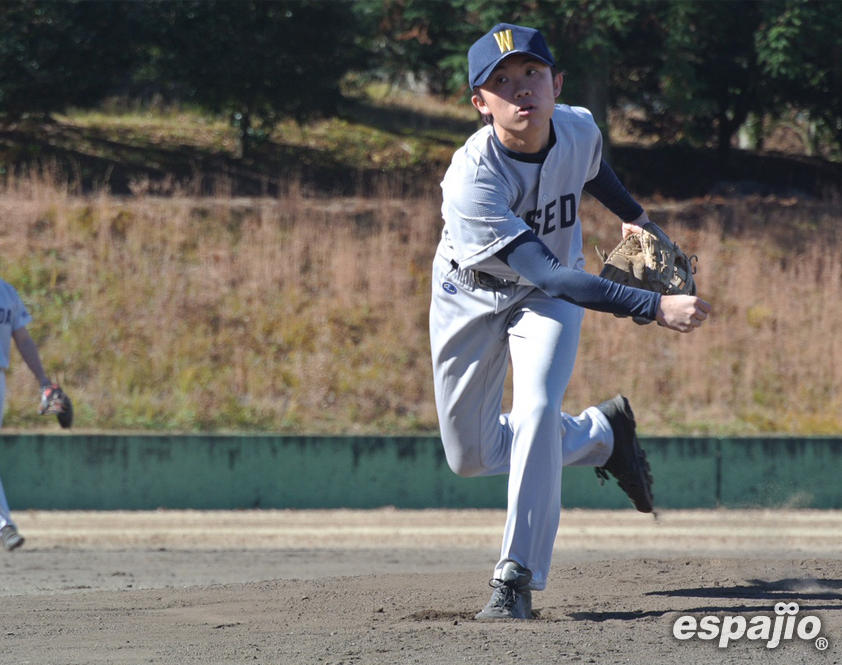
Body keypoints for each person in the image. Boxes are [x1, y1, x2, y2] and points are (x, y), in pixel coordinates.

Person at [429, 23, 711, 620]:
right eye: (501, 81)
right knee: (470, 457)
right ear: (480, 104)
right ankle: (602, 435)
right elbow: (550, 273)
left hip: (545, 303)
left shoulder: (578, 126)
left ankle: (516, 577)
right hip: (470, 295)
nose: (521, 88)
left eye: (532, 72)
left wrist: (636, 218)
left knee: (535, 409)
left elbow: (593, 168)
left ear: (556, 83)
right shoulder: (472, 180)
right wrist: (654, 307)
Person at [0, 277, 55, 552]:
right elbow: (23, 339)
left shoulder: (7, 293)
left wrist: (44, 381)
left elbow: (23, 339)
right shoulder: (7, 292)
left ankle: (3, 525)